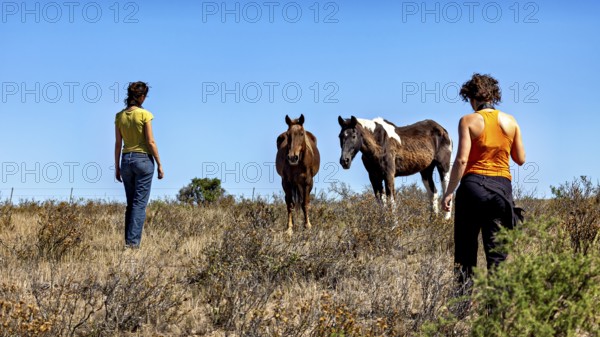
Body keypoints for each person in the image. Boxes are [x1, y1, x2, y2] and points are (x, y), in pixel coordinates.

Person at [442, 73, 526, 287]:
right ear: (493, 96)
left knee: (465, 250)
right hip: (501, 189)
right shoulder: (511, 121)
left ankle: (460, 307)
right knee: (497, 255)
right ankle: (496, 311)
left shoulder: (468, 120)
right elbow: (521, 159)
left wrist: (449, 192)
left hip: (472, 187)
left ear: (472, 98)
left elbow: (461, 160)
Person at [114, 82, 164, 249]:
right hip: (143, 160)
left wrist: (117, 167)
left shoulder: (119, 116)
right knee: (139, 204)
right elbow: (150, 141)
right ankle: (133, 244)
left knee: (131, 203)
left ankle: (129, 242)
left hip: (126, 159)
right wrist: (159, 163)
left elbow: (118, 143)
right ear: (141, 97)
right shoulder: (145, 114)